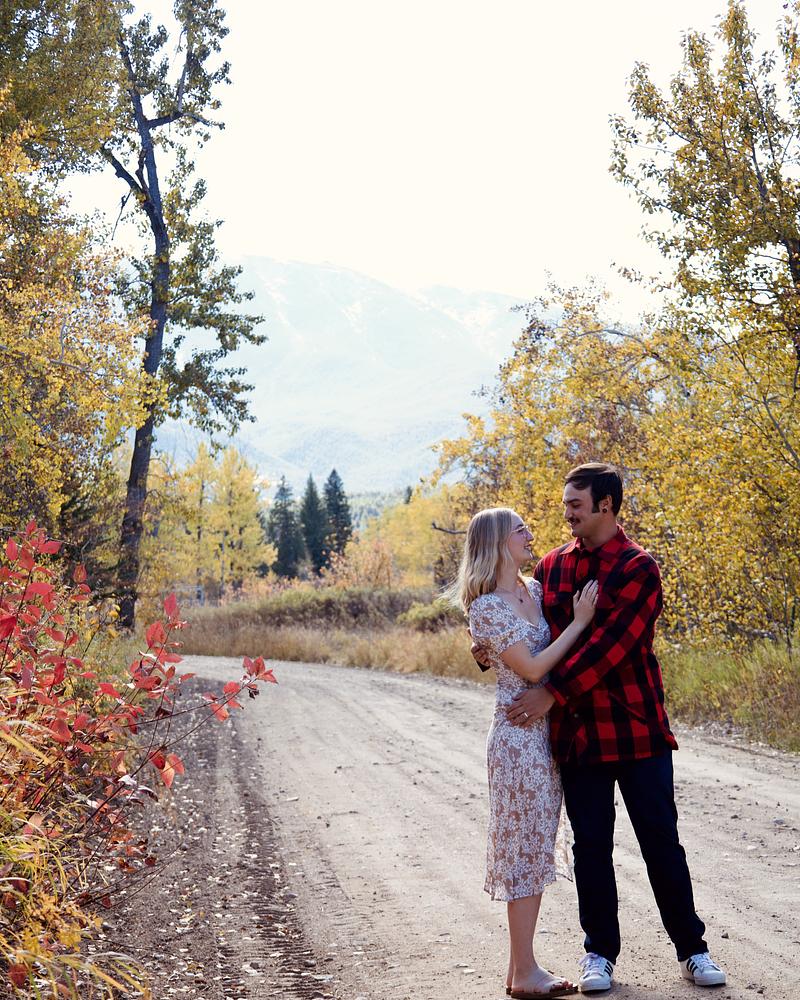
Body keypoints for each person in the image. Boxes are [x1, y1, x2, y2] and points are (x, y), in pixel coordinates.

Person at [478, 463, 726, 992]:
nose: (566, 514)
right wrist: (488, 651)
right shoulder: (552, 568)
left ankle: (693, 949)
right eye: (566, 503)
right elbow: (526, 628)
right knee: (590, 848)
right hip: (577, 736)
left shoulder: (638, 568)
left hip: (636, 729)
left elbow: (613, 647)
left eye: (576, 505)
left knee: (660, 841)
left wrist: (551, 692)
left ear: (606, 506)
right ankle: (599, 955)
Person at [450, 505, 599, 1000]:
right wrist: (579, 622)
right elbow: (533, 669)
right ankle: (527, 971)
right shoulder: (487, 607)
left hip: (545, 734)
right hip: (517, 738)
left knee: (532, 844)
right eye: (520, 530)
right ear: (497, 542)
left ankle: (519, 971)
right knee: (523, 849)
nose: (530, 535)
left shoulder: (533, 590)